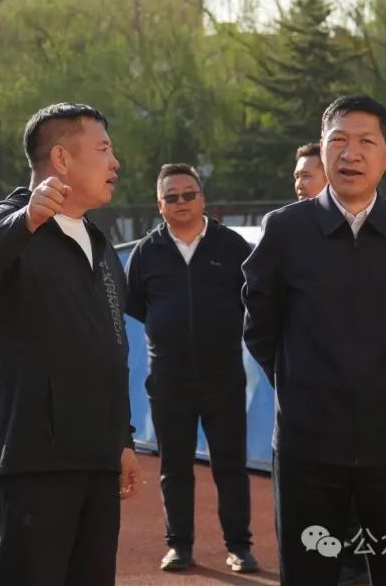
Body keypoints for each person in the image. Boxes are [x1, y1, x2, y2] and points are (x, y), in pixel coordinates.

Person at [243, 94, 386, 586]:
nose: (350, 153)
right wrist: (301, 384)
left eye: (365, 142)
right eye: (337, 140)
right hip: (308, 448)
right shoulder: (285, 230)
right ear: (321, 149)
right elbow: (259, 325)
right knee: (308, 573)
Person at [0, 102, 140, 586]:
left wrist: (121, 438)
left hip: (98, 457)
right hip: (35, 460)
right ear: (61, 158)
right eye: (103, 149)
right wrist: (26, 219)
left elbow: (112, 347)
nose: (115, 162)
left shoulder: (100, 244)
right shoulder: (7, 220)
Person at [124, 163, 258, 573]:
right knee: (174, 468)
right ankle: (178, 546)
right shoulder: (146, 253)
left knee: (230, 467)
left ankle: (239, 547)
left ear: (202, 198)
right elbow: (137, 304)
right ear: (159, 204)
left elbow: (253, 299)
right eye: (172, 197)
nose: (181, 202)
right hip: (169, 379)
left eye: (188, 194)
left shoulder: (232, 247)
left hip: (224, 376)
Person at [293, 143, 367, 585]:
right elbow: (262, 323)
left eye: (307, 174)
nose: (300, 184)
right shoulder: (285, 234)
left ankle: (356, 566)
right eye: (297, 176)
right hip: (309, 412)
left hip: (369, 413)